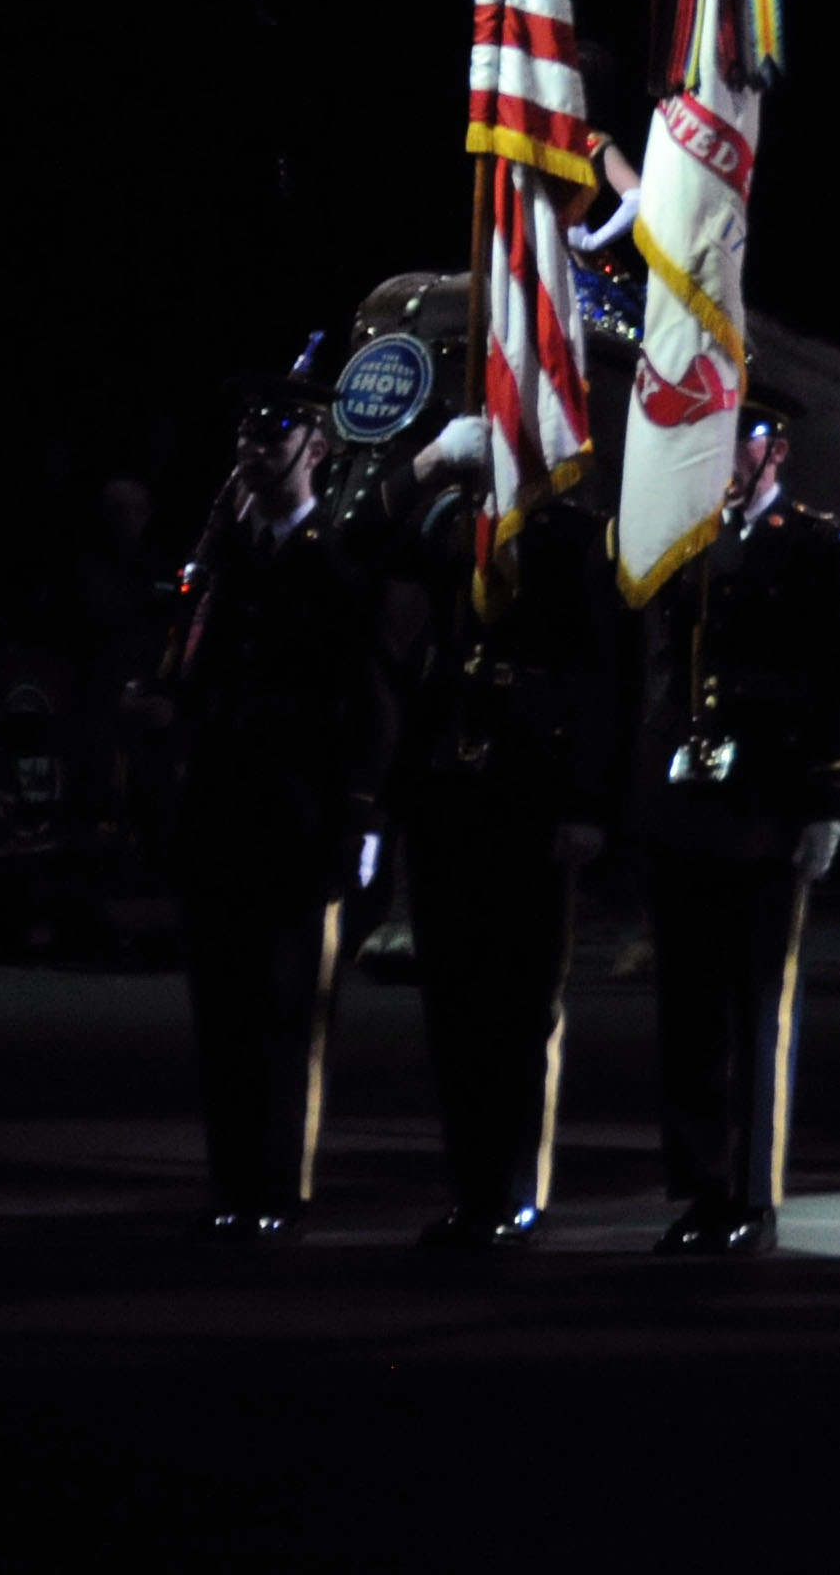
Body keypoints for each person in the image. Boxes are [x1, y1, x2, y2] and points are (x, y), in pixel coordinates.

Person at [150, 375, 418, 1239]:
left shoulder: (338, 566)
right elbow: (180, 682)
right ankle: (233, 1187)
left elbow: (372, 704)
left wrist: (360, 819)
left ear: (318, 449)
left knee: (289, 1014)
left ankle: (280, 1188)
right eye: (248, 439)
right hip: (219, 817)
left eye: (277, 437)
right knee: (223, 1015)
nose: (257, 453)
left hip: (302, 824)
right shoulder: (222, 565)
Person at [628, 388, 840, 1258]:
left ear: (776, 451)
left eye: (744, 439)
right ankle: (697, 1186)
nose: (728, 454)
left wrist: (830, 804)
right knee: (687, 1005)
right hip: (687, 799)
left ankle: (750, 1193)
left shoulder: (813, 544)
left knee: (756, 1006)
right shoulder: (680, 542)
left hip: (768, 797)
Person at [390, 431, 634, 1251]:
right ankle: (470, 1190)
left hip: (534, 788)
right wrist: (426, 461)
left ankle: (514, 1192)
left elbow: (602, 675)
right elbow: (355, 543)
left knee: (520, 1003)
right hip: (446, 788)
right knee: (452, 1003)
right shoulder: (442, 522)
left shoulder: (575, 536)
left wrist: (587, 803)